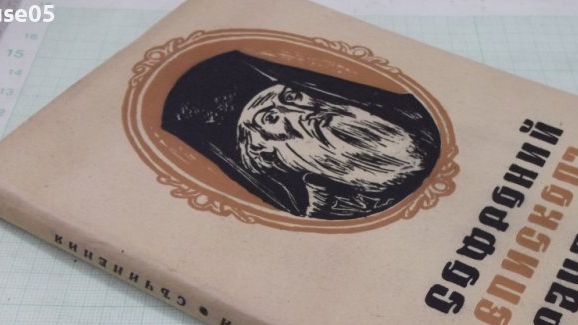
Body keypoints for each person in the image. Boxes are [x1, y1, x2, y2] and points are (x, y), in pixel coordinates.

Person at [162, 50, 441, 220]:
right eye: (272, 118)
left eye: (291, 97)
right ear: (263, 153)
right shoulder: (330, 215)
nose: (303, 111)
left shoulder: (419, 117)